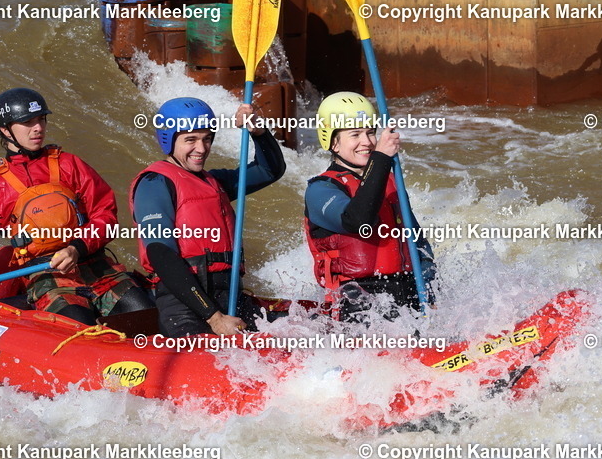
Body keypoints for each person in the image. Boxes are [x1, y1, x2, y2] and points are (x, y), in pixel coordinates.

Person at [0, 87, 152, 324]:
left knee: (143, 311)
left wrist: (77, 247)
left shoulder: (70, 164)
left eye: (41, 119)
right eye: (28, 122)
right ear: (5, 130)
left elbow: (105, 215)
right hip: (45, 274)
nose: (38, 128)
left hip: (94, 262)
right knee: (76, 321)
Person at [129, 97, 286, 337]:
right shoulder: (154, 184)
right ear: (168, 140)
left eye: (207, 139)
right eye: (190, 140)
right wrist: (213, 317)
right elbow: (161, 254)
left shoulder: (214, 182)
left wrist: (260, 133)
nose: (201, 149)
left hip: (230, 298)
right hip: (185, 307)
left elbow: (270, 170)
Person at [304, 92, 435, 322]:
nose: (367, 141)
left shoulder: (392, 183)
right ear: (333, 142)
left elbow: (419, 245)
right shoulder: (320, 190)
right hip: (356, 303)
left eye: (370, 132)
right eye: (355, 134)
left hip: (407, 294)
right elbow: (358, 220)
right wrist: (382, 158)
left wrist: (430, 290)